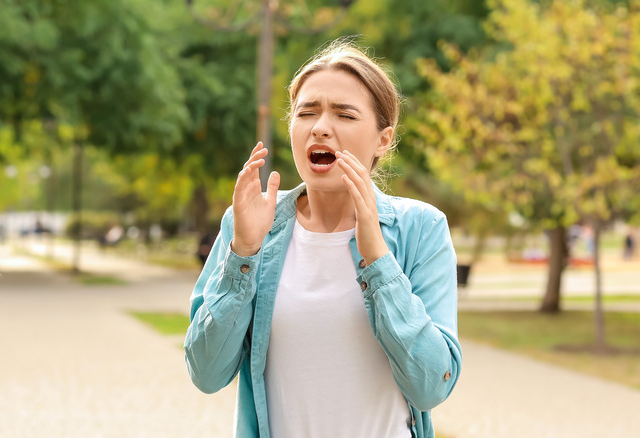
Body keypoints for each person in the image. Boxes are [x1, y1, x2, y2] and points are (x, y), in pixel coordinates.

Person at [184, 41, 461, 438]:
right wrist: (243, 252)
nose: (320, 127)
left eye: (345, 114)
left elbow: (432, 385)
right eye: (306, 112)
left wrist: (378, 261)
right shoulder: (248, 224)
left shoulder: (421, 229)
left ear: (383, 140)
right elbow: (206, 374)